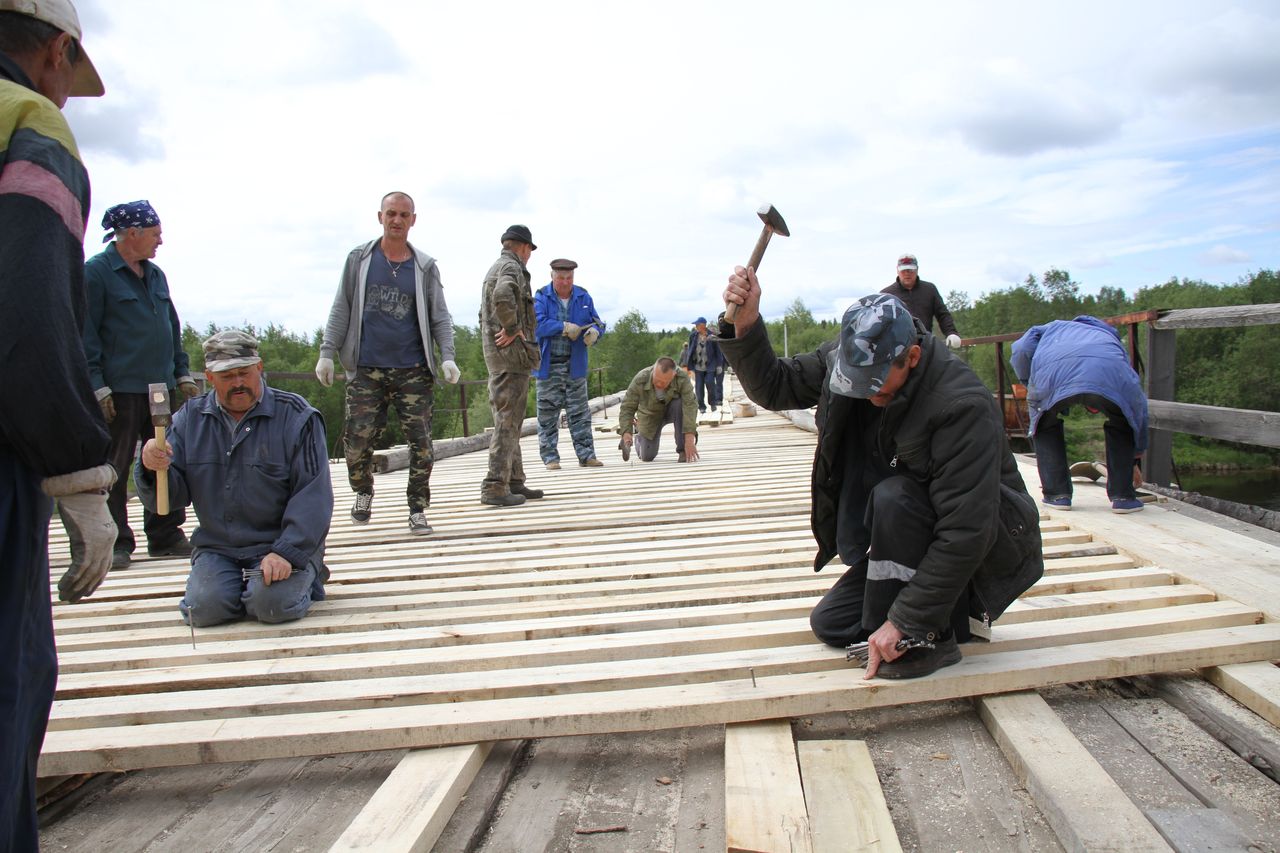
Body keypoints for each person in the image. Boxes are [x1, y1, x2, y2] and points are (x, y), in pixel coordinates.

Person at [720, 267, 1043, 680]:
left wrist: (907, 621)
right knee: (832, 624)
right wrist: (745, 324)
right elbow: (776, 387)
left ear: (912, 356)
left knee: (895, 496)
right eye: (856, 383)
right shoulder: (847, 356)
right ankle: (949, 613)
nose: (867, 394)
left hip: (982, 547)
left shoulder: (960, 405)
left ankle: (932, 635)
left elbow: (967, 531)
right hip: (909, 536)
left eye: (876, 385)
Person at [1, 1, 113, 846]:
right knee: (12, 680)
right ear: (56, 52)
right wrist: (78, 471)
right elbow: (32, 318)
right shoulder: (26, 124)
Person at [138, 331, 332, 627]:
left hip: (279, 543)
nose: (239, 383)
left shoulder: (297, 417)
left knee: (272, 606)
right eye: (228, 376)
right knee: (203, 610)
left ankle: (306, 570)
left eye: (245, 373)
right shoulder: (188, 419)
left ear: (260, 368)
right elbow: (169, 499)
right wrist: (153, 468)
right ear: (210, 377)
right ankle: (242, 587)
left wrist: (287, 552)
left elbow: (314, 496)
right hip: (219, 546)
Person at [317, 191, 460, 535]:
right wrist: (326, 352)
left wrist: (448, 357)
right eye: (391, 213)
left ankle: (417, 508)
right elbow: (342, 307)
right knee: (357, 439)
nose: (397, 220)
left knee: (421, 443)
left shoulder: (425, 267)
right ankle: (363, 490)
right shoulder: (360, 260)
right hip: (366, 368)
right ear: (380, 217)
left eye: (404, 215)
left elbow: (440, 315)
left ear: (413, 220)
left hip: (413, 369)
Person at [83, 200, 198, 569]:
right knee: (113, 467)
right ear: (131, 234)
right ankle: (116, 541)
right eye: (155, 233)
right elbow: (84, 335)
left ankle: (165, 534)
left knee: (166, 458)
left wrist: (181, 371)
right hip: (118, 388)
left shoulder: (156, 275)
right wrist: (97, 386)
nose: (160, 240)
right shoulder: (96, 274)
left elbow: (171, 327)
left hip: (159, 386)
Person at [1011, 316, 1149, 514]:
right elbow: (1137, 408)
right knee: (1123, 420)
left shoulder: (1050, 329)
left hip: (1052, 376)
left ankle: (1057, 495)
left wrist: (1029, 381)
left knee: (1044, 424)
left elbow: (1021, 349)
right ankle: (1124, 497)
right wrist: (1135, 456)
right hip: (1108, 375)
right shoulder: (1109, 337)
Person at [479, 225, 544, 506]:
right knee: (507, 421)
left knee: (510, 419)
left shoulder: (495, 267)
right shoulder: (512, 268)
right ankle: (495, 485)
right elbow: (504, 295)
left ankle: (514, 481)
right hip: (510, 357)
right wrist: (514, 327)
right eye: (529, 249)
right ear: (524, 247)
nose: (529, 255)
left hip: (497, 357)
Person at [534, 258, 606, 469]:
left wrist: (595, 333)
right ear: (552, 276)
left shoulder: (583, 296)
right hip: (548, 365)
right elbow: (536, 325)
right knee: (547, 414)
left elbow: (598, 322)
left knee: (580, 413)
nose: (565, 282)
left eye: (569, 278)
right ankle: (550, 458)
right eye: (561, 278)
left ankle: (586, 455)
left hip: (575, 365)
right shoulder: (541, 297)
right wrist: (563, 327)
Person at [616, 357, 700, 463]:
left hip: (672, 409)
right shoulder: (641, 379)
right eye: (657, 380)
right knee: (647, 456)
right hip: (650, 414)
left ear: (673, 376)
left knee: (679, 403)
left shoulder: (682, 377)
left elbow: (690, 406)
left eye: (664, 382)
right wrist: (626, 432)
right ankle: (639, 439)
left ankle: (682, 450)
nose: (659, 385)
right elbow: (627, 407)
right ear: (653, 371)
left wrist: (689, 439)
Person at [881, 253, 962, 349]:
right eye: (904, 270)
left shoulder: (929, 290)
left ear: (917, 269)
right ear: (897, 270)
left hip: (926, 345)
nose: (907, 273)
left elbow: (942, 314)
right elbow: (880, 323)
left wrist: (951, 333)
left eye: (911, 270)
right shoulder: (886, 295)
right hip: (898, 349)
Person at [682, 316, 726, 413]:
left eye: (697, 325)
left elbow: (718, 351)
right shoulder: (693, 336)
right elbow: (690, 351)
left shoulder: (712, 336)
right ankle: (701, 406)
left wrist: (719, 365)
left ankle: (713, 403)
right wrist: (690, 367)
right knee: (699, 387)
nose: (696, 327)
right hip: (698, 366)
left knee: (710, 383)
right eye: (696, 325)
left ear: (703, 325)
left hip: (710, 366)